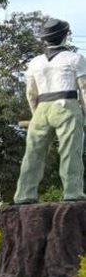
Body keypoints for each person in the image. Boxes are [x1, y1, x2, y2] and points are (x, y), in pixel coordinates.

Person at [14, 18, 86, 204]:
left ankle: (24, 195)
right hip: (66, 105)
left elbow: (31, 92)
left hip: (42, 107)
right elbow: (84, 89)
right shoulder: (75, 58)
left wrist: (36, 113)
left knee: (33, 154)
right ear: (66, 35)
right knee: (71, 151)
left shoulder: (35, 62)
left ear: (45, 39)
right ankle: (72, 192)